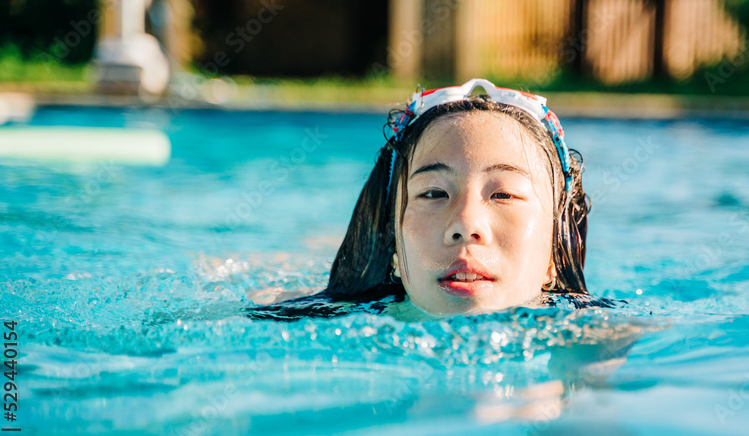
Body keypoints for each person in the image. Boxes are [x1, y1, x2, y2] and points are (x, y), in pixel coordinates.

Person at [249, 78, 619, 321]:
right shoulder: (302, 319)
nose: (465, 224)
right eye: (434, 193)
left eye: (503, 193)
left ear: (556, 250)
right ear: (392, 243)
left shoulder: (604, 340)